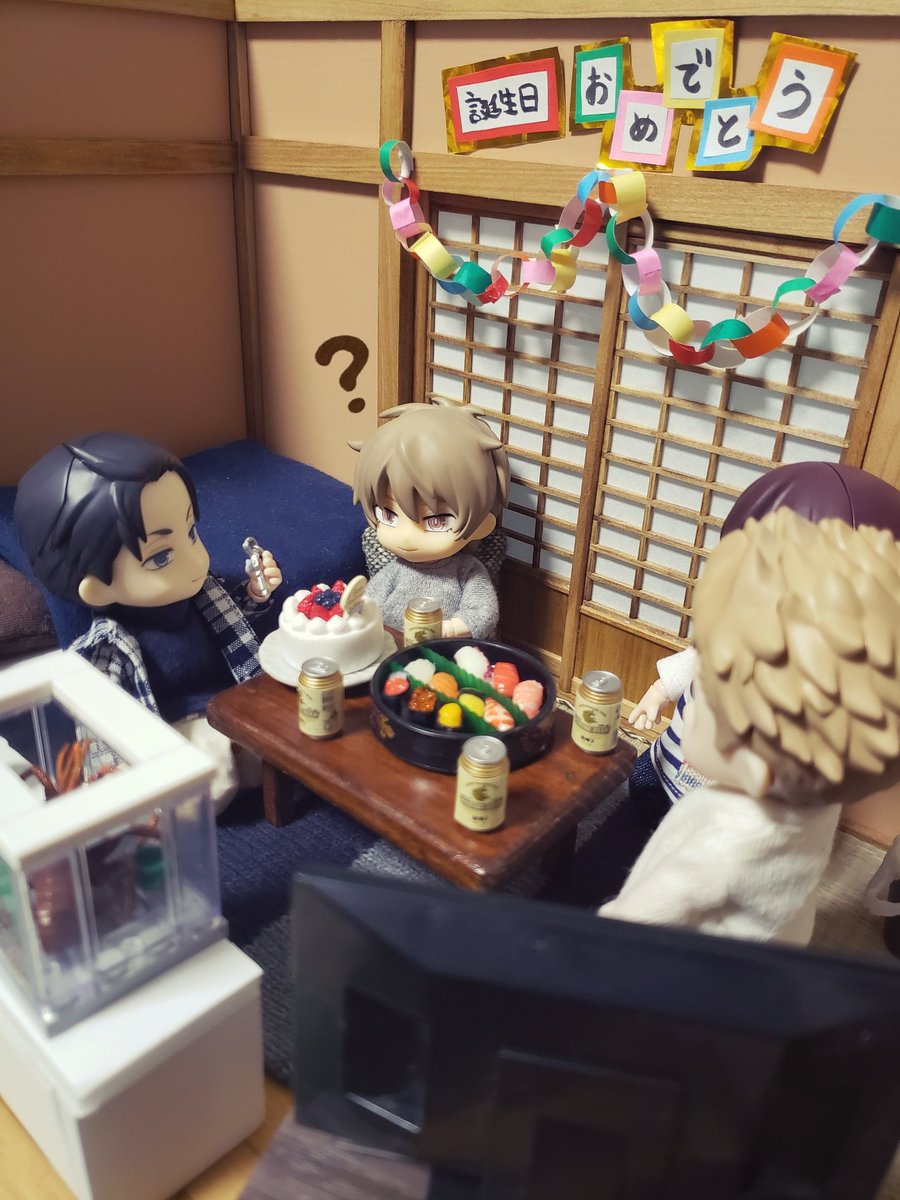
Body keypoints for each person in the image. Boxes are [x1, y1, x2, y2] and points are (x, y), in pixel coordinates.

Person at [600, 508, 900, 945]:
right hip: (767, 944)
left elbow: (641, 914)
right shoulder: (816, 798)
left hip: (690, 954)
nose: (690, 706)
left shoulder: (730, 837)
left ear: (760, 765)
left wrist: (593, 934)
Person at [14, 433, 282, 809]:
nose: (197, 560)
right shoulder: (108, 647)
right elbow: (100, 719)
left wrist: (255, 593)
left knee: (280, 735)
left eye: (191, 533)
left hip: (233, 702)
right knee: (209, 770)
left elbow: (233, 627)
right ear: (96, 589)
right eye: (160, 557)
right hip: (179, 728)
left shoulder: (205, 595)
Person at [627, 462, 900, 831]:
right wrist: (658, 692)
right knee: (642, 793)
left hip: (724, 802)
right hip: (667, 764)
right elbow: (696, 660)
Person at [352, 404, 510, 638]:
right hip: (389, 645)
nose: (407, 536)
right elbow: (368, 603)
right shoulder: (395, 570)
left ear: (482, 525)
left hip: (443, 650)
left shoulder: (466, 570)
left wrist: (450, 629)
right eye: (389, 515)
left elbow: (483, 613)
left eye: (436, 521)